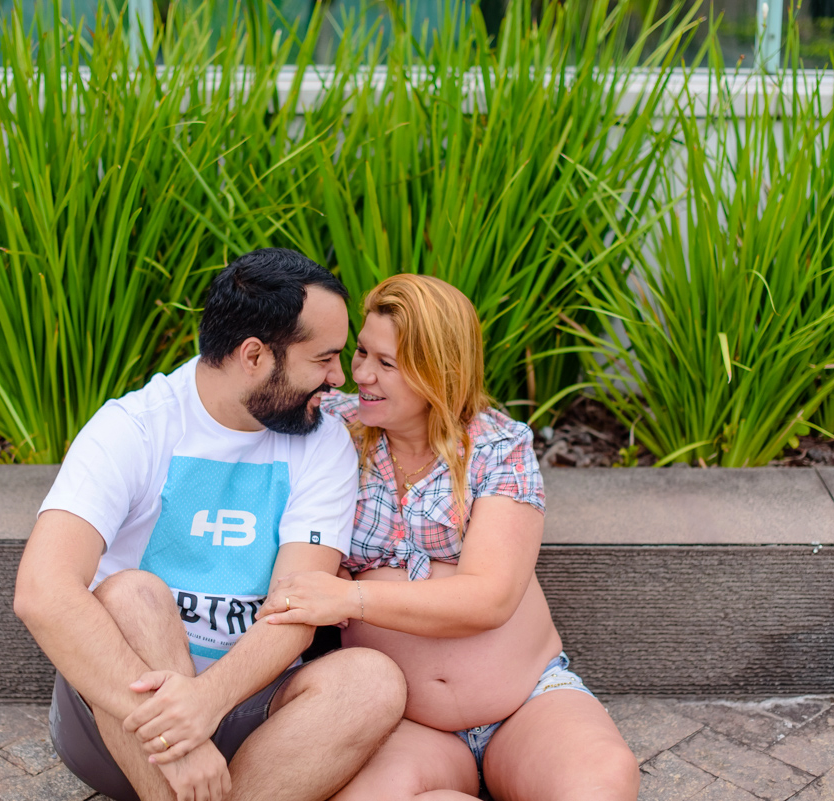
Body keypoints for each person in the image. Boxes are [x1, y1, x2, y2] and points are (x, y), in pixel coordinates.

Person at [13, 248, 406, 801]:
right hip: (123, 719)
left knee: (372, 681)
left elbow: (297, 605)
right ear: (254, 355)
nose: (340, 379)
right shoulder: (134, 429)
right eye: (324, 359)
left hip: (252, 717)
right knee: (131, 595)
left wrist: (204, 702)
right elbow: (42, 593)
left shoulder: (321, 442)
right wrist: (178, 729)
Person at [259, 274, 640, 801]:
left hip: (525, 704)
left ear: (440, 370)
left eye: (386, 364)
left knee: (601, 782)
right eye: (362, 352)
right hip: (407, 723)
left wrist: (350, 595)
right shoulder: (333, 432)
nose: (361, 374)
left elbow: (488, 597)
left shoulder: (496, 447)